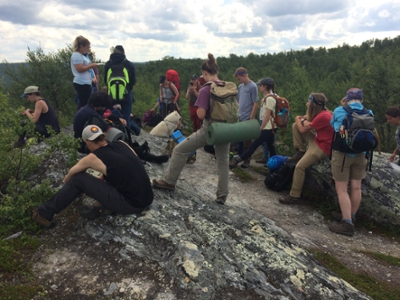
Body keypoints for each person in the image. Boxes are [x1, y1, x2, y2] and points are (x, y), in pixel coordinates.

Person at [32, 125, 154, 228]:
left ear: (88, 142)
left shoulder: (93, 158)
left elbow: (68, 177)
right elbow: (126, 168)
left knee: (78, 179)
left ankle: (44, 213)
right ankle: (108, 206)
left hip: (131, 204)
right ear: (103, 137)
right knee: (96, 179)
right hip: (147, 197)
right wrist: (104, 178)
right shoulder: (122, 144)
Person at [152, 53, 231, 205]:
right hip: (226, 128)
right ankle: (222, 195)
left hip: (210, 128)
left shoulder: (206, 89)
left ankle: (169, 181)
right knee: (223, 161)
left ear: (205, 73)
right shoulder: (226, 86)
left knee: (180, 150)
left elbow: (201, 115)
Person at [328, 88, 371, 236]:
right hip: (362, 154)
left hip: (343, 154)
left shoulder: (340, 110)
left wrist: (342, 107)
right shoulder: (369, 112)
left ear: (346, 98)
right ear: (361, 99)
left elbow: (333, 126)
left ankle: (346, 223)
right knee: (356, 187)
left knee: (341, 189)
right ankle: (351, 216)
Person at [279, 93, 333, 205]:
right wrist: (302, 120)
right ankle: (301, 150)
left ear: (313, 104)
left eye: (309, 102)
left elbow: (303, 129)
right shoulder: (320, 113)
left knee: (300, 167)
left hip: (322, 147)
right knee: (295, 125)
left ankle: (294, 195)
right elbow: (303, 120)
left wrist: (300, 119)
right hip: (318, 140)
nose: (306, 104)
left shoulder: (323, 116)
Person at [229, 78, 277, 168]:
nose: (259, 87)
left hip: (268, 128)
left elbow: (267, 116)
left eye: (260, 85)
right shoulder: (270, 97)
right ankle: (276, 168)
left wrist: (261, 128)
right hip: (272, 128)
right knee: (271, 148)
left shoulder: (269, 98)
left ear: (265, 86)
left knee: (253, 146)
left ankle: (236, 160)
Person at [104, 45, 136, 128]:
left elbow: (105, 80)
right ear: (123, 52)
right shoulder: (128, 64)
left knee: (110, 113)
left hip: (111, 94)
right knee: (126, 116)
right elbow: (133, 80)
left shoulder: (108, 64)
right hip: (126, 93)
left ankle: (112, 134)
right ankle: (126, 136)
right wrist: (127, 89)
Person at [234, 67, 259, 168]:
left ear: (244, 75)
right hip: (240, 116)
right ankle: (240, 156)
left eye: (239, 78)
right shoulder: (240, 87)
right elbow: (238, 100)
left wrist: (251, 118)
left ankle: (247, 160)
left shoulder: (252, 86)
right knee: (240, 139)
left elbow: (255, 103)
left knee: (247, 141)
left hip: (247, 117)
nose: (238, 80)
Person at [71, 36, 99, 108]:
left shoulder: (82, 55)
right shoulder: (76, 55)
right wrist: (91, 66)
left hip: (86, 82)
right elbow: (79, 69)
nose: (88, 49)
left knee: (86, 102)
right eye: (87, 47)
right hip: (81, 82)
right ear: (81, 46)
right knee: (83, 103)